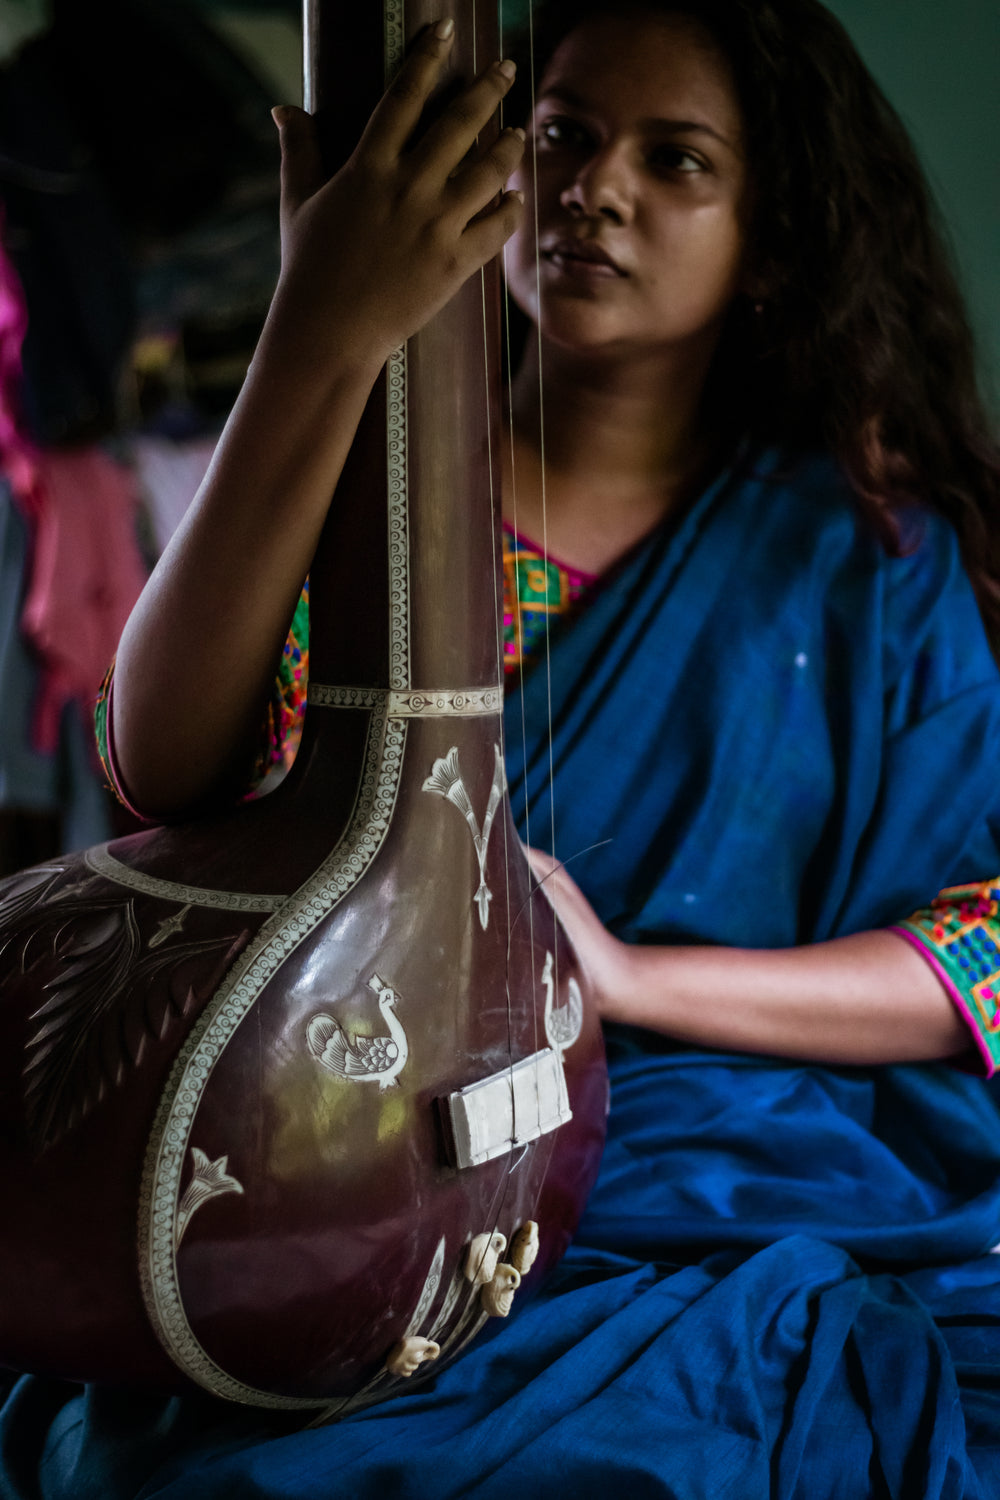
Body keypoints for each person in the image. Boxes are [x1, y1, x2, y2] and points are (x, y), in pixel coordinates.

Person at [4, 0, 1000, 1494]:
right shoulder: (365, 477)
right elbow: (169, 769)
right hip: (347, 1138)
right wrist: (320, 329)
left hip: (702, 1163)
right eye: (563, 138)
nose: (595, 187)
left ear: (775, 242)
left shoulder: (867, 564)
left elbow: (987, 942)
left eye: (679, 162)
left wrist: (625, 976)